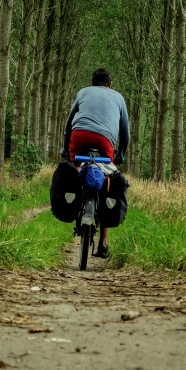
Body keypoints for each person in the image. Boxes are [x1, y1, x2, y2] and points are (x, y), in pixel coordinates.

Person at [62, 67, 130, 258]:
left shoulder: (83, 92)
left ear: (92, 83)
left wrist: (66, 149)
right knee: (108, 180)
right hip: (104, 140)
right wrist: (121, 156)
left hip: (79, 135)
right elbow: (125, 133)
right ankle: (103, 243)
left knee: (75, 167)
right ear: (110, 85)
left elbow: (69, 123)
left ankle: (74, 206)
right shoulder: (118, 97)